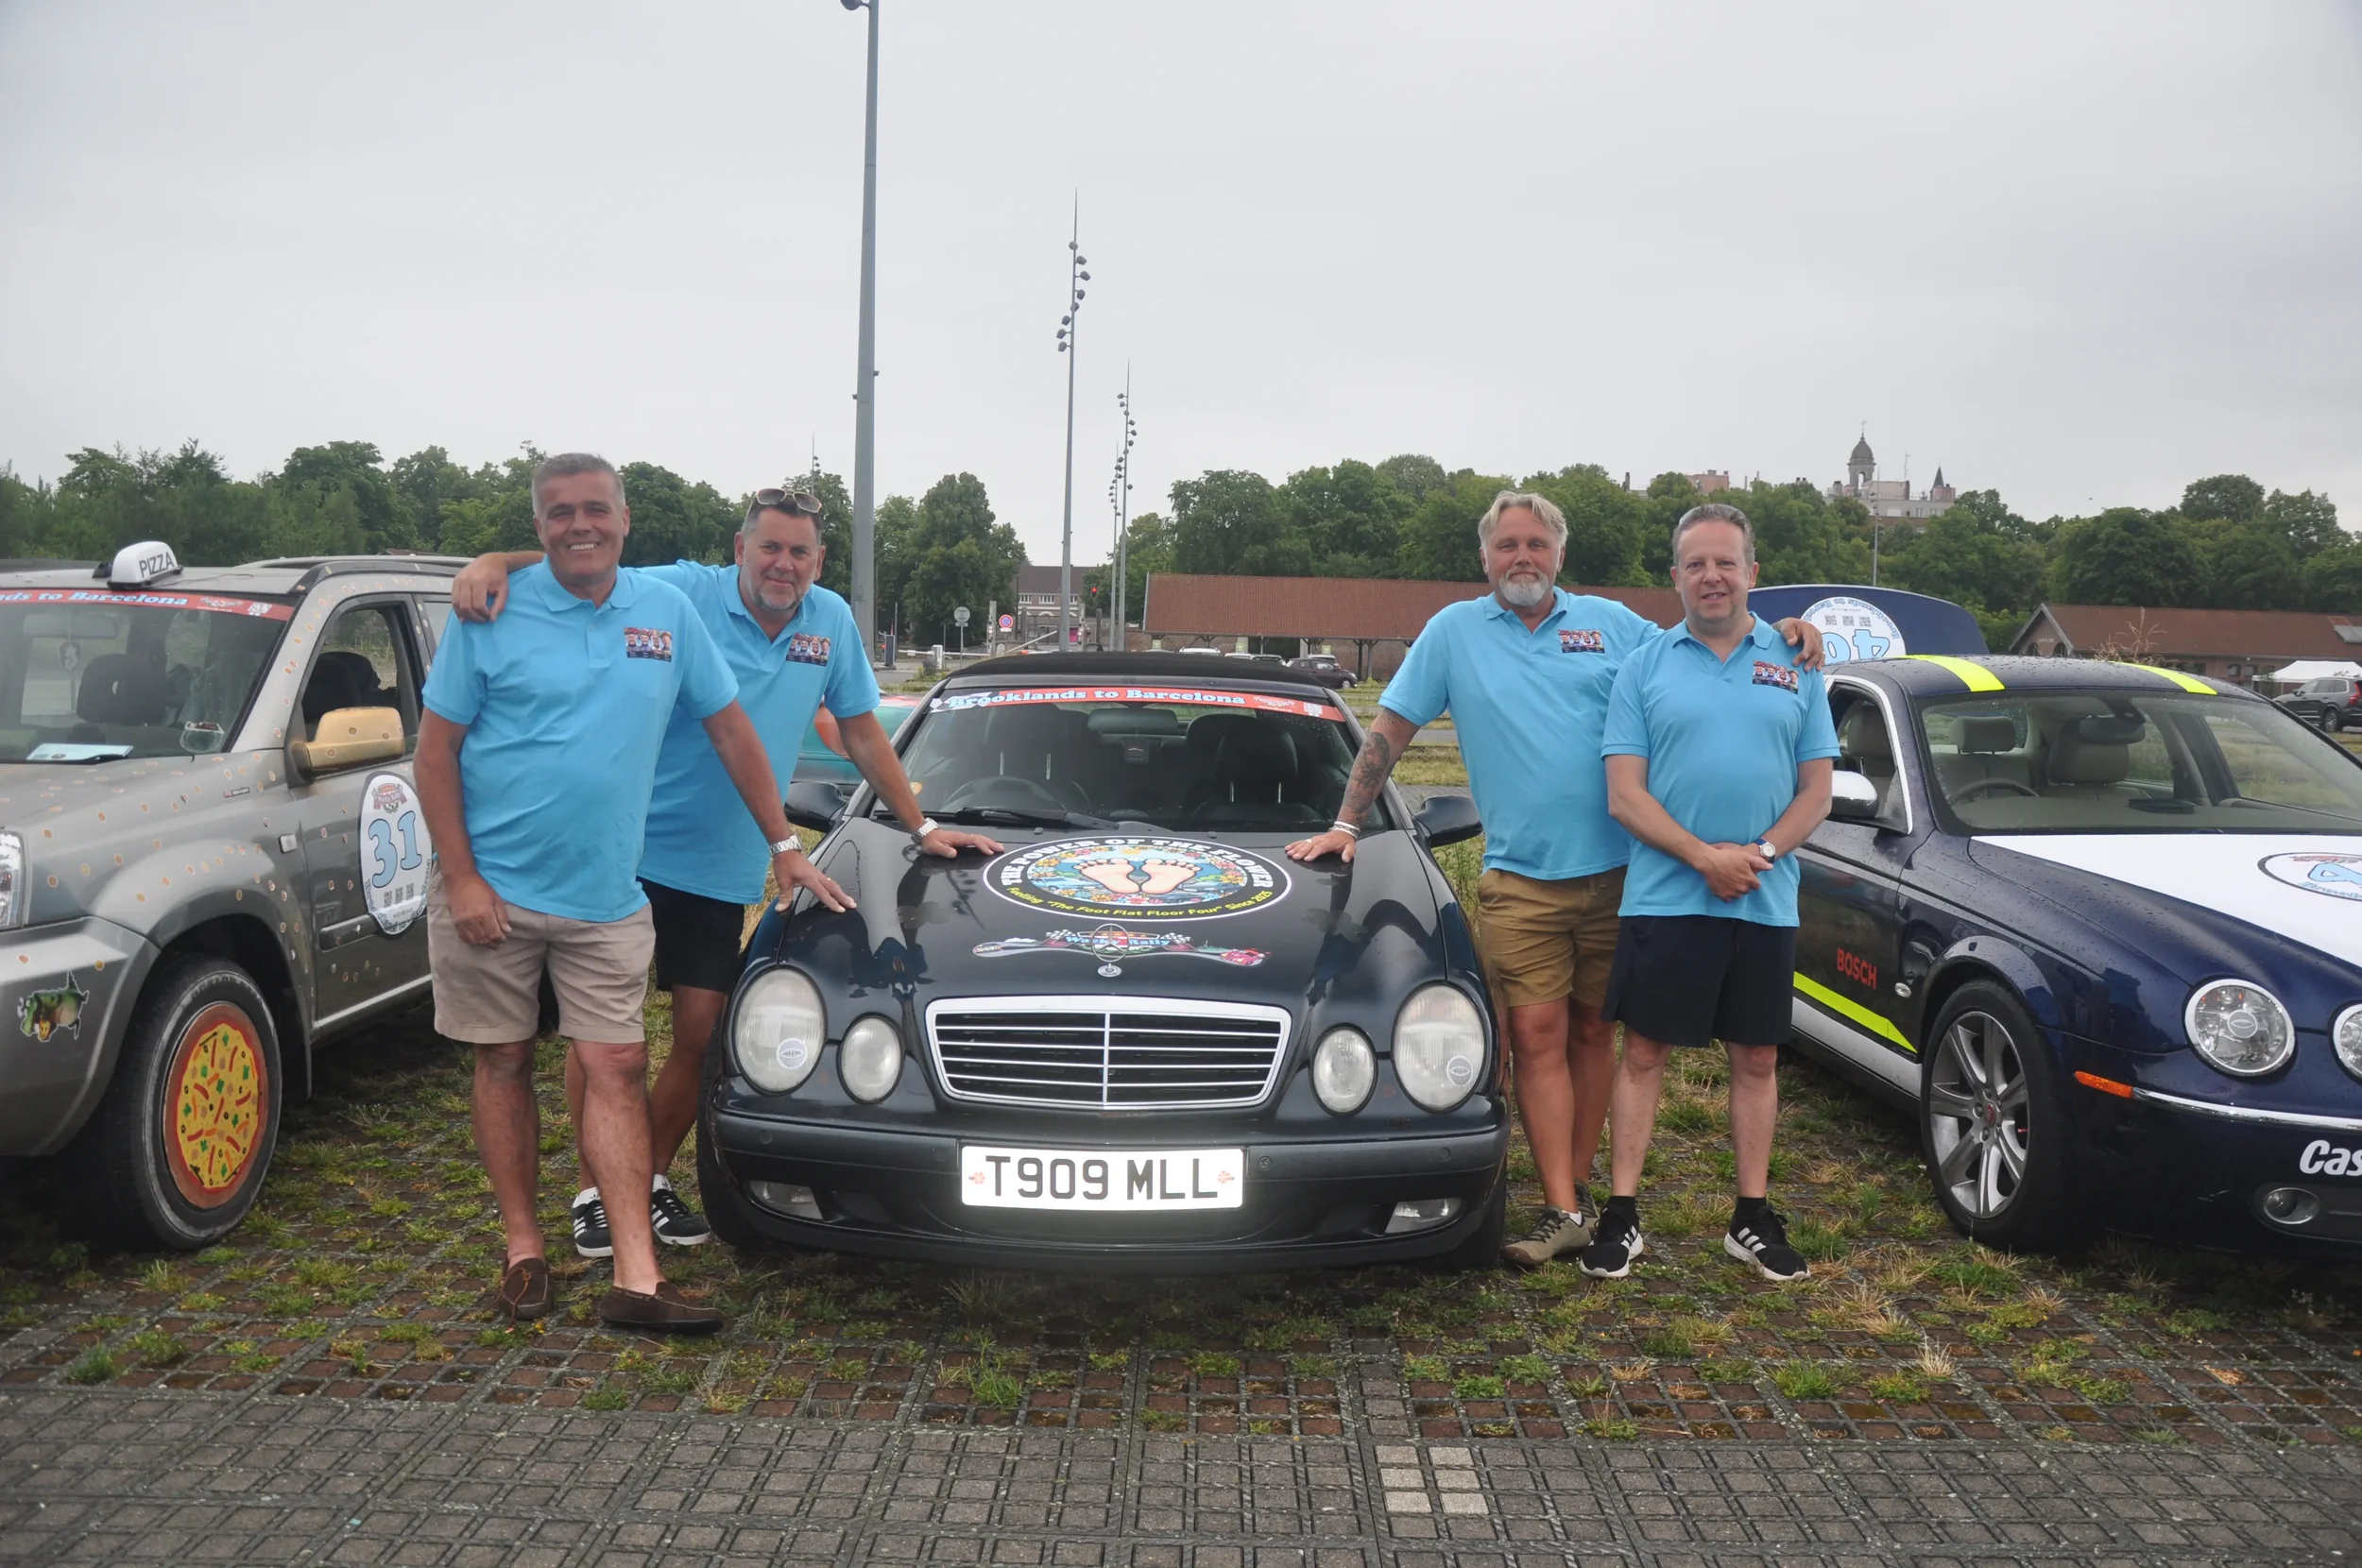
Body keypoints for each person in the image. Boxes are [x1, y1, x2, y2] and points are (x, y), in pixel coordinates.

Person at [449, 484, 999, 1257]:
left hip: (728, 858)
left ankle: (645, 1180)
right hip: (628, 851)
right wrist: (491, 560)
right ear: (738, 548)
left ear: (818, 561)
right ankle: (592, 1195)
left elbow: (865, 733)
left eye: (799, 552)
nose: (783, 564)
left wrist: (923, 824)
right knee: (606, 1039)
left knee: (700, 1037)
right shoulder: (683, 590)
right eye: (768, 547)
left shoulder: (829, 621)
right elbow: (585, 558)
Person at [1286, 492, 1821, 1269]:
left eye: (1537, 544)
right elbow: (1390, 731)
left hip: (1624, 875)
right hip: (1521, 880)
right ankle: (1564, 1204)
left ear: (1560, 555)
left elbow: (1705, 639)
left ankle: (1590, 1188)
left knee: (1593, 1033)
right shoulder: (1452, 634)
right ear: (1485, 557)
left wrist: (1791, 630)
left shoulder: (1612, 625)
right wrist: (1345, 822)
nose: (1523, 558)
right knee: (1534, 1036)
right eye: (1508, 545)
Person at [418, 453, 826, 1330]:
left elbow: (731, 731)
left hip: (608, 894)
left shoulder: (666, 611)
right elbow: (435, 754)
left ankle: (636, 1277)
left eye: (596, 509)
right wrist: (460, 879)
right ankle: (524, 1249)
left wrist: (784, 843)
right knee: (506, 1060)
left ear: (626, 519)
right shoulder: (488, 612)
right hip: (494, 890)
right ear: (536, 526)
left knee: (616, 1063)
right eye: (559, 512)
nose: (580, 525)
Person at [1581, 502, 1837, 1284]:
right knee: (1646, 1051)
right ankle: (1622, 1214)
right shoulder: (1644, 666)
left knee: (1757, 1056)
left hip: (1762, 897)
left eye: (1726, 562)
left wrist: (1753, 856)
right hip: (1665, 897)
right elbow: (1626, 795)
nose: (1712, 576)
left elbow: (1816, 793)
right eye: (1696, 563)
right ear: (1675, 577)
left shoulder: (1797, 662)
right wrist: (1702, 858)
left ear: (1752, 573)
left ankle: (1751, 1216)